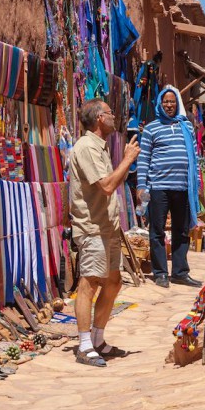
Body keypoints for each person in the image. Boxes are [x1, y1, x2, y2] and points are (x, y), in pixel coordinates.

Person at [68, 99, 141, 367]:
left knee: (113, 282)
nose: (115, 117)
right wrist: (128, 159)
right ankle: (84, 345)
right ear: (100, 118)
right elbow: (107, 186)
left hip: (108, 229)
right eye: (111, 112)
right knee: (89, 284)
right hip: (92, 228)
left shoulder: (100, 147)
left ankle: (98, 338)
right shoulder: (86, 147)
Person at [135, 86, 202, 288]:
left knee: (182, 230)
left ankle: (180, 272)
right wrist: (141, 185)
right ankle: (160, 273)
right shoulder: (151, 129)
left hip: (183, 187)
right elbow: (144, 158)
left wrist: (196, 182)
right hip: (158, 187)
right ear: (159, 104)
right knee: (157, 231)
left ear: (178, 104)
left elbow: (195, 157)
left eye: (172, 101)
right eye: (166, 101)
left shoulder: (187, 127)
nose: (169, 105)